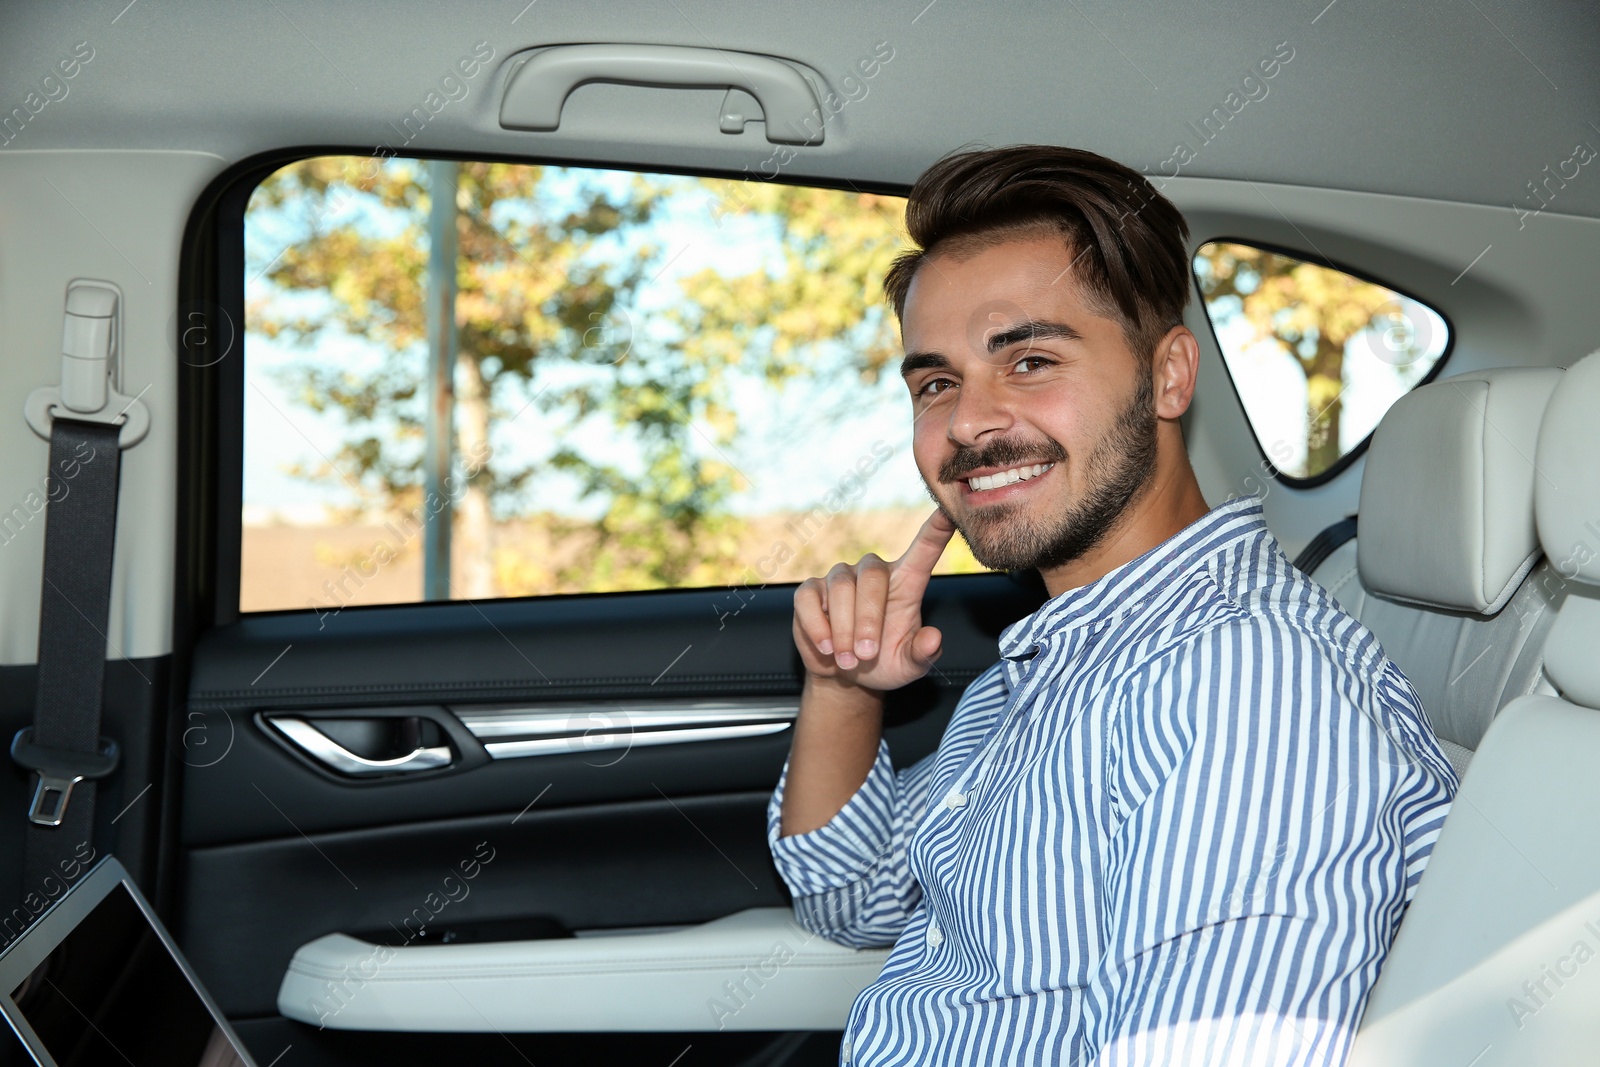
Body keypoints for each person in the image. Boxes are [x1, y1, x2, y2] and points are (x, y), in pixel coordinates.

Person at [767, 144, 1458, 1066]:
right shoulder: (1052, 659)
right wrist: (845, 687)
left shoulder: (1246, 687)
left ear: (1170, 375)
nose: (967, 422)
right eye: (936, 382)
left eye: (1030, 360)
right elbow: (853, 902)